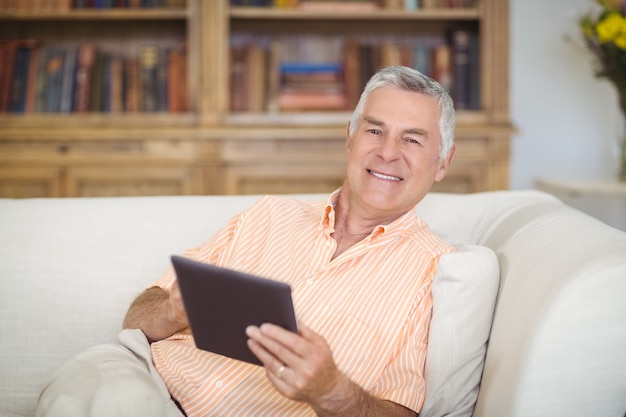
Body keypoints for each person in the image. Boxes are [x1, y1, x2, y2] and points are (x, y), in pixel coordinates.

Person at [36, 65, 457, 417]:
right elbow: (137, 318)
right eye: (374, 130)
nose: (387, 152)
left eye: (413, 139)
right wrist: (174, 309)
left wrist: (331, 390)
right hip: (138, 379)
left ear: (443, 163)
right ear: (349, 137)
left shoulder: (437, 271)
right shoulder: (269, 213)